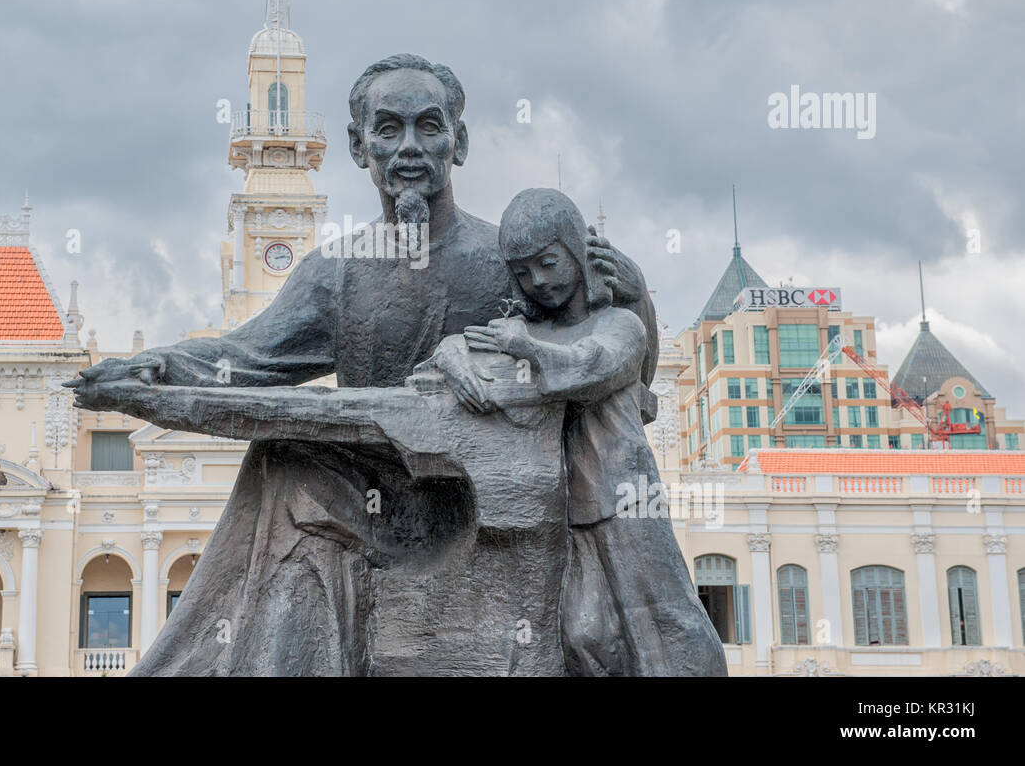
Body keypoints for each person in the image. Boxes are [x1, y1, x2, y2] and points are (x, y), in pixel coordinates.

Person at [69, 55, 658, 675]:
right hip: (377, 505)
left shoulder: (510, 259)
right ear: (358, 146)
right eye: (388, 129)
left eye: (429, 127)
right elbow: (241, 358)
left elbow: (606, 356)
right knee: (286, 464)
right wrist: (149, 371)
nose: (410, 148)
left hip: (491, 501)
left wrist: (635, 293)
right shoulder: (337, 271)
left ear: (458, 141)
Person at [461, 188, 726, 675]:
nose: (538, 282)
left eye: (548, 263)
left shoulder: (620, 325)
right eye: (523, 273)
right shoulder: (529, 333)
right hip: (564, 507)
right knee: (584, 631)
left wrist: (525, 348)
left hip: (625, 499)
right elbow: (463, 352)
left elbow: (592, 367)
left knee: (662, 625)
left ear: (578, 253)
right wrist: (457, 359)